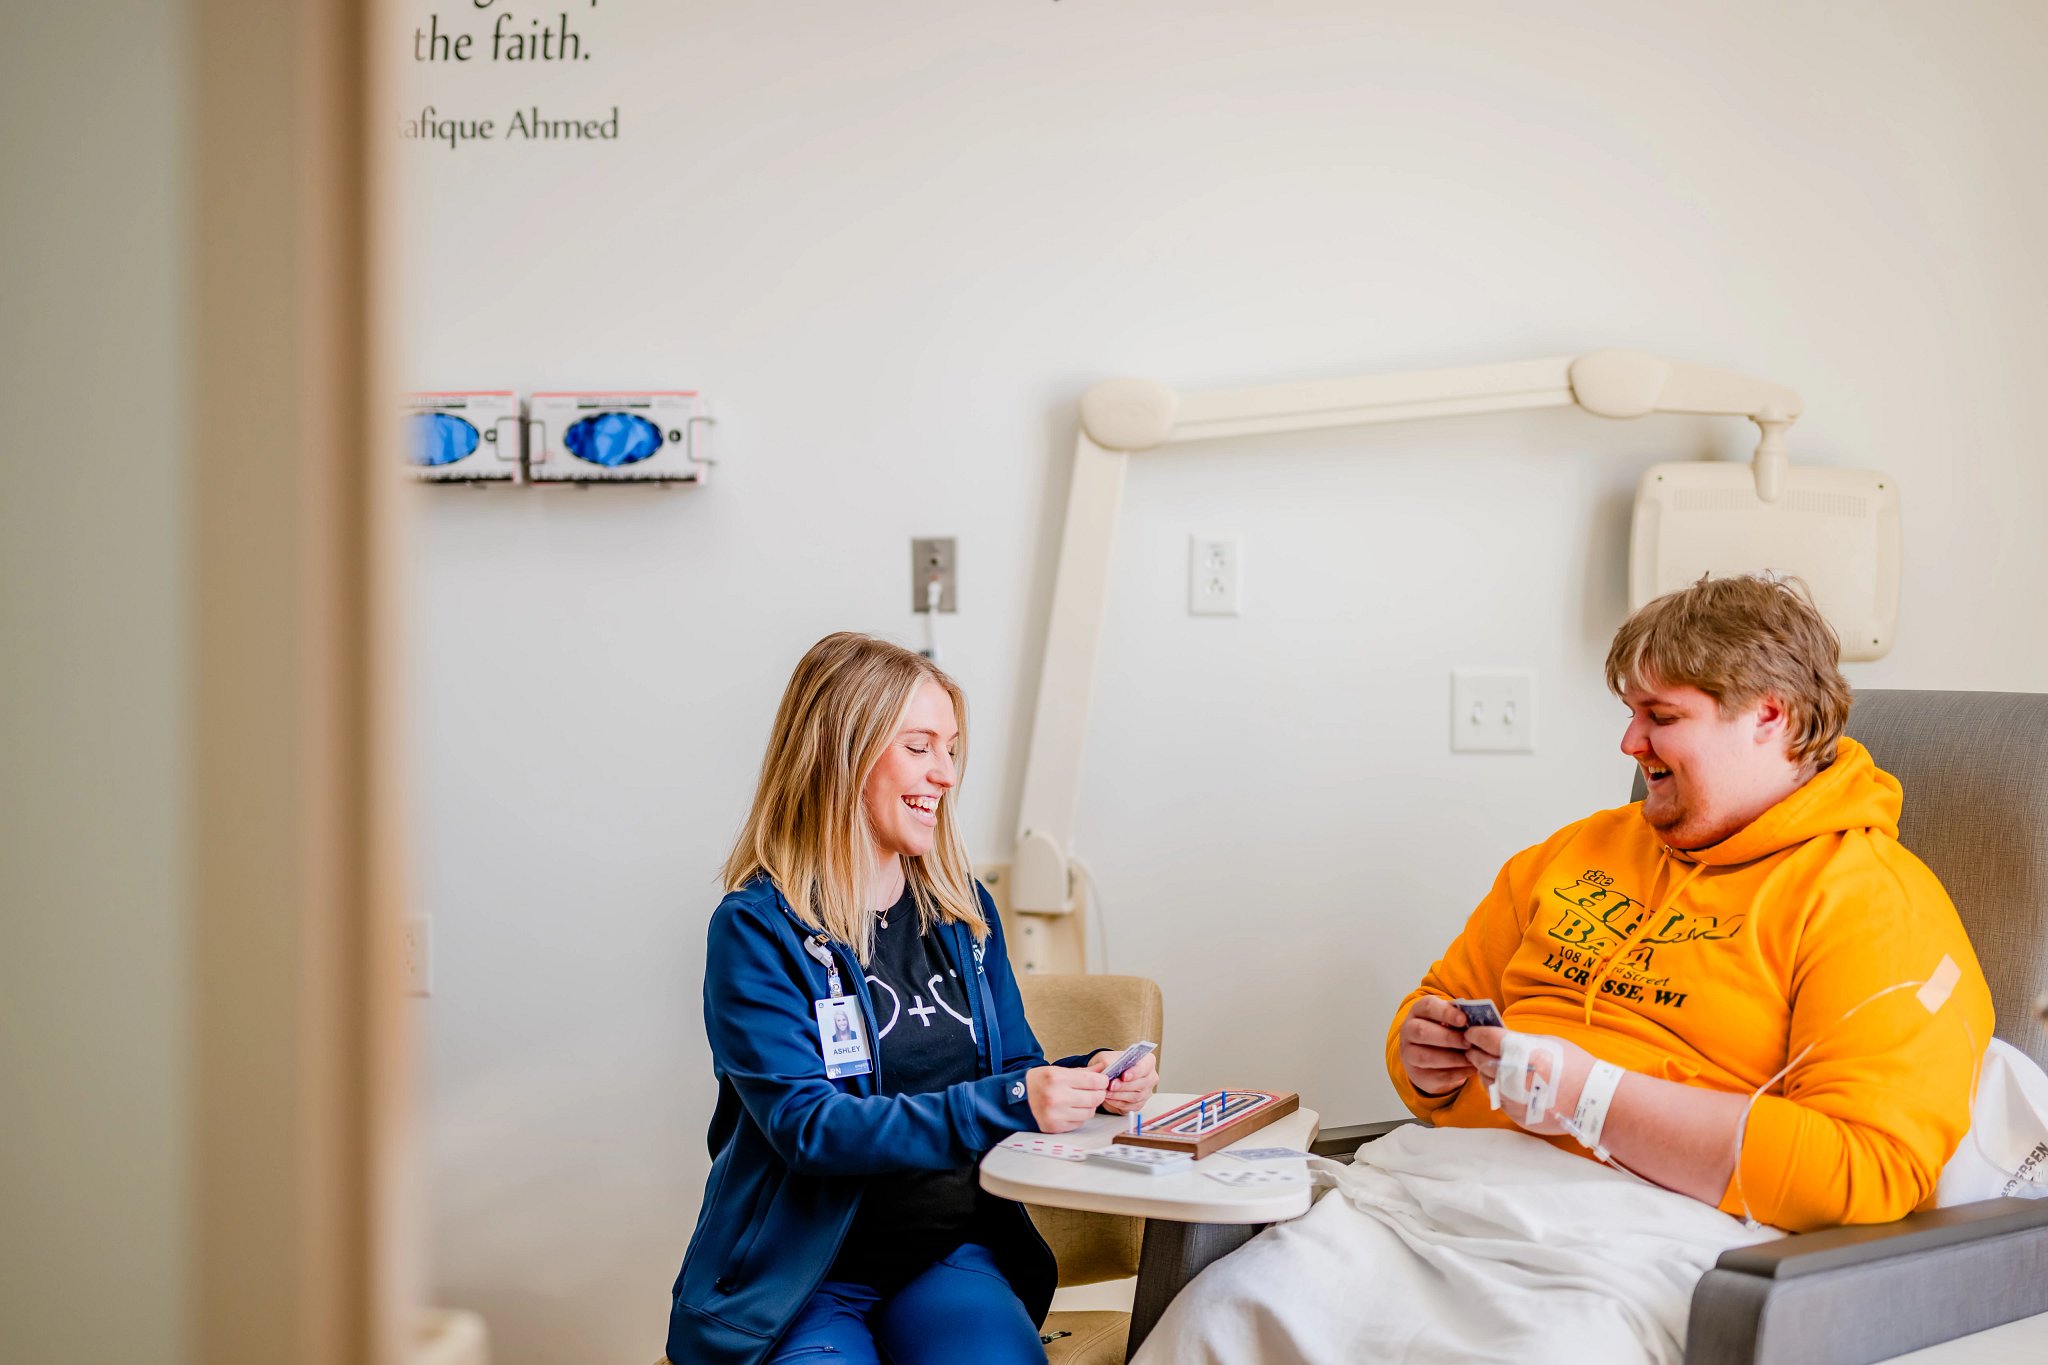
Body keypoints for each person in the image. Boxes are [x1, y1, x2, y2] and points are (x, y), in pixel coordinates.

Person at [1136, 575, 1992, 1363]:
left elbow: (1867, 1171)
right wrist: (1424, 1058)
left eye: (1661, 714)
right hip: (1434, 1201)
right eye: (1629, 711)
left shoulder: (1874, 903)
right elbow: (1433, 1015)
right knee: (1223, 1318)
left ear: (1769, 715)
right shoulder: (1574, 853)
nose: (1630, 741)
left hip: (1646, 1240)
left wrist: (1592, 1095)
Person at [665, 632, 1159, 1365]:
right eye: (920, 746)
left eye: (951, 748)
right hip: (803, 1282)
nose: (946, 774)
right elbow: (811, 1129)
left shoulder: (963, 914)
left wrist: (1086, 1077)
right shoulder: (756, 930)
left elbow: (1012, 1066)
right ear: (843, 753)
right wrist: (1018, 1097)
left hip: (946, 1256)